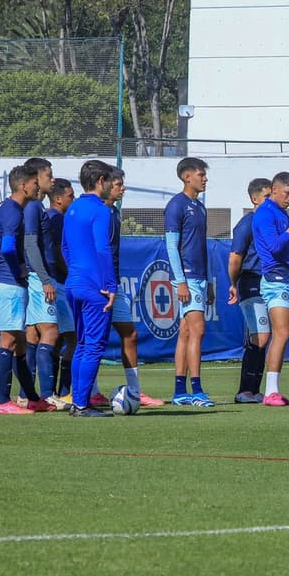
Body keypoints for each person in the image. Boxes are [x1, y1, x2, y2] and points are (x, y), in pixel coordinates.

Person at [0, 164, 53, 414]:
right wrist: (18, 272)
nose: (38, 186)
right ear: (23, 185)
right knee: (9, 340)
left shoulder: (4, 208)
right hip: (10, 284)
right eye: (35, 183)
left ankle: (33, 398)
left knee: (21, 343)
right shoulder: (15, 212)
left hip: (5, 283)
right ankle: (3, 402)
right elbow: (6, 247)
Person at [62, 160, 118, 417]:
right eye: (109, 181)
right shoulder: (101, 210)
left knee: (82, 344)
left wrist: (75, 273)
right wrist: (109, 285)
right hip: (94, 286)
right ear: (100, 182)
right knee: (94, 345)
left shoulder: (73, 207)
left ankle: (78, 401)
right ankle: (82, 404)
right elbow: (102, 248)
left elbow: (64, 247)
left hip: (73, 283)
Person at [102, 164, 161, 407]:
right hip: (99, 285)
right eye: (118, 184)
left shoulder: (114, 211)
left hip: (113, 283)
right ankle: (81, 392)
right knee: (88, 339)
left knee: (130, 333)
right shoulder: (98, 212)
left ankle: (135, 391)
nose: (123, 188)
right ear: (105, 184)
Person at [252, 172, 289, 406]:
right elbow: (274, 247)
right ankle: (270, 392)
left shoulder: (281, 213)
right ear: (274, 190)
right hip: (276, 278)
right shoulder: (265, 213)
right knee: (281, 333)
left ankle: (274, 390)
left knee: (285, 334)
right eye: (287, 193)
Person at [165, 156, 213, 406]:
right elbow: (171, 245)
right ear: (187, 176)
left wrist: (210, 280)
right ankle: (197, 390)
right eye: (200, 174)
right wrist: (180, 280)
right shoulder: (176, 205)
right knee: (198, 330)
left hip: (200, 277)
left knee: (185, 333)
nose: (205, 179)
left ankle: (179, 391)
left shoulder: (200, 207)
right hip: (187, 277)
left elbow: (201, 246)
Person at [21, 157, 61, 407]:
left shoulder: (33, 207)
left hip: (37, 276)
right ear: (36, 178)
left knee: (34, 335)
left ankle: (27, 395)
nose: (52, 179)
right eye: (48, 175)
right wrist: (45, 279)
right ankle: (47, 394)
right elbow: (29, 243)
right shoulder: (34, 207)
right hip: (39, 277)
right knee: (50, 331)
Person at [228, 178, 272, 404]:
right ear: (254, 199)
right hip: (251, 281)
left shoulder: (271, 221)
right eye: (267, 196)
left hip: (269, 284)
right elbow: (235, 257)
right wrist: (233, 283)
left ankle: (254, 390)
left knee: (265, 336)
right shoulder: (247, 223)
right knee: (260, 336)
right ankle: (244, 390)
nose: (270, 201)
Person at [45, 178, 76, 402]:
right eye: (70, 196)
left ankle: (54, 391)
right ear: (58, 199)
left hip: (57, 281)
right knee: (72, 338)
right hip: (60, 282)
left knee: (57, 339)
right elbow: (57, 250)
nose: (72, 200)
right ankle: (64, 391)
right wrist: (71, 273)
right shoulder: (56, 219)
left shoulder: (54, 217)